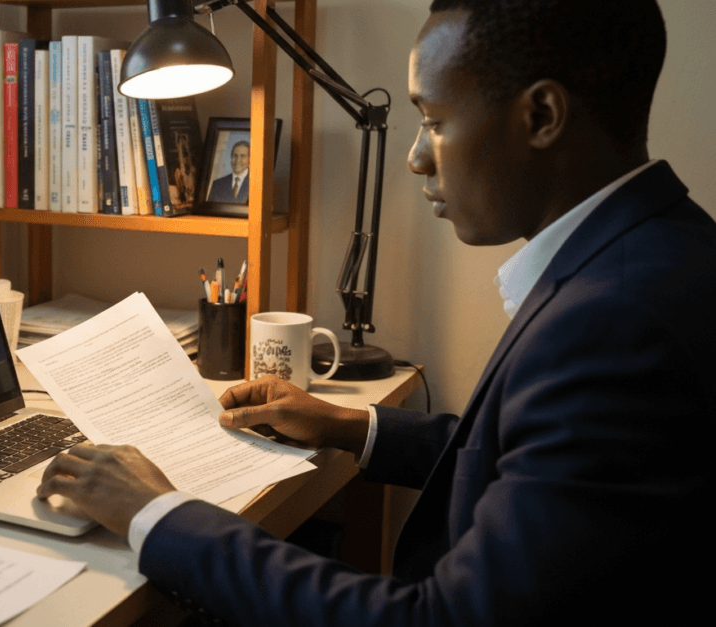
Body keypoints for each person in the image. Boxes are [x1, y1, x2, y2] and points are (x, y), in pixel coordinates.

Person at [37, 0, 715, 624]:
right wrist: (346, 425)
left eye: (436, 120)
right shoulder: (659, 251)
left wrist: (155, 513)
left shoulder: (615, 322)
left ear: (541, 116)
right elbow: (534, 458)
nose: (418, 157)